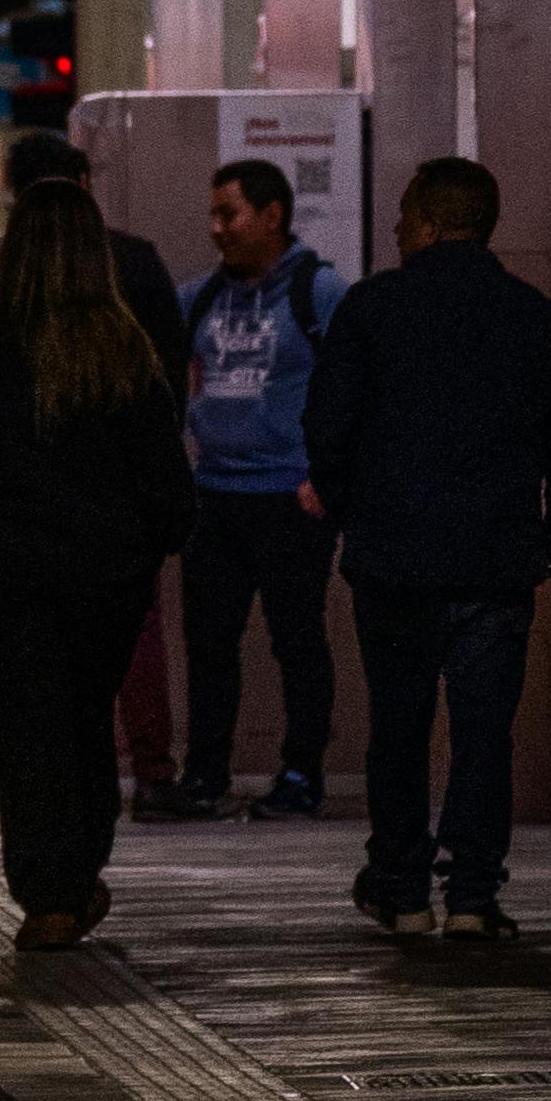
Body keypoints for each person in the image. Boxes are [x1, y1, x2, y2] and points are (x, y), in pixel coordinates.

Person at [303, 155, 551, 946]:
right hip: (497, 558)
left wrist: (348, 510)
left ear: (430, 222)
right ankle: (472, 893)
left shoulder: (371, 310)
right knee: (482, 731)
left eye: (404, 215)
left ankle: (402, 889)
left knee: (397, 725)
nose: (397, 229)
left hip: (394, 555)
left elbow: (327, 429)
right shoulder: (534, 318)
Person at [0, 174, 193, 949]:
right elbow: (162, 470)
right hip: (105, 577)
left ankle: (46, 889)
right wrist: (154, 541)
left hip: (3, 575)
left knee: (27, 728)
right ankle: (75, 871)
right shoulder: (123, 347)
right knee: (84, 719)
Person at [0, 126, 190, 811]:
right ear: (83, 187)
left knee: (30, 663)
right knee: (132, 638)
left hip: (11, 520)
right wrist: (161, 504)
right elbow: (167, 385)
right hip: (114, 511)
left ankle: (44, 795)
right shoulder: (135, 265)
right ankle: (150, 768)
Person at [175, 156, 344, 815]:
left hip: (289, 495)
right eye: (213, 214)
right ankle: (205, 774)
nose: (217, 229)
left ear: (272, 217)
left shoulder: (320, 291)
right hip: (215, 494)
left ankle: (302, 773)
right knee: (210, 642)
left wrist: (325, 475)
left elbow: (352, 385)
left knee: (297, 639)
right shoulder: (199, 298)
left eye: (230, 214)